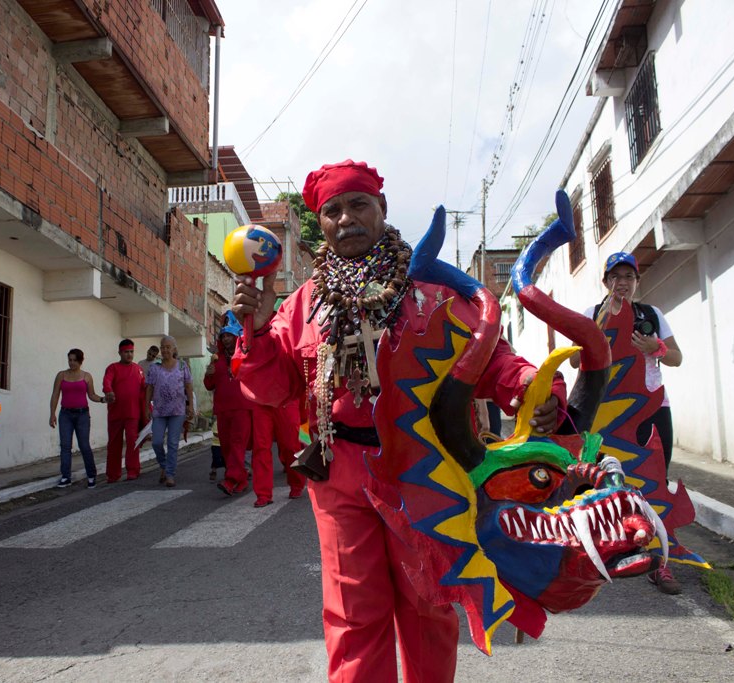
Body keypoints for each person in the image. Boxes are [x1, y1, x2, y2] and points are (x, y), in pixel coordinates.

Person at [232, 160, 565, 682]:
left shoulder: (431, 294)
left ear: (382, 210)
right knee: (351, 613)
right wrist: (252, 331)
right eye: (332, 211)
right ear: (319, 223)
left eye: (358, 205)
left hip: (423, 472)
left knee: (428, 605)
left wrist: (528, 389)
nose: (346, 219)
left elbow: (492, 358)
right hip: (338, 475)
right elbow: (272, 386)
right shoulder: (301, 306)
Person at [571, 251, 684, 594]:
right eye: (616, 277)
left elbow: (677, 358)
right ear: (605, 282)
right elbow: (576, 359)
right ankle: (605, 552)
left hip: (652, 408)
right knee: (602, 481)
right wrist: (599, 329)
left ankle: (660, 563)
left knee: (655, 480)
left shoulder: (652, 315)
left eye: (629, 277)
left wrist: (656, 346)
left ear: (637, 282)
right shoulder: (591, 314)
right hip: (604, 413)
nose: (623, 283)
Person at [203, 317, 256, 500]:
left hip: (243, 407)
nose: (226, 339)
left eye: (229, 335)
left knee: (237, 445)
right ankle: (240, 481)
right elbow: (209, 385)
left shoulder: (244, 354)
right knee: (226, 447)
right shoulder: (216, 360)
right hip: (223, 409)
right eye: (223, 336)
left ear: (236, 337)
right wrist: (208, 375)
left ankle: (231, 480)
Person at [49, 348, 106, 488]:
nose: (72, 363)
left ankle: (91, 475)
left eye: (75, 360)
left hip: (82, 415)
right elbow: (55, 395)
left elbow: (91, 395)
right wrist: (52, 414)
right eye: (70, 360)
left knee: (84, 445)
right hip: (65, 414)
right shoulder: (61, 375)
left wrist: (103, 399)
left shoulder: (86, 376)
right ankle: (66, 476)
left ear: (81, 361)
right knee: (65, 446)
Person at [143, 335, 194, 488]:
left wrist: (190, 406)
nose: (165, 350)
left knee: (172, 443)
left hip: (177, 411)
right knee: (157, 442)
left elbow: (188, 387)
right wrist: (146, 407)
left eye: (168, 347)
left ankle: (170, 474)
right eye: (163, 347)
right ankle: (164, 465)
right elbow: (150, 388)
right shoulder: (154, 367)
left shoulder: (182, 366)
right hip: (159, 411)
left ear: (174, 349)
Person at [102, 339, 146, 483]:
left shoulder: (138, 369)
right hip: (116, 413)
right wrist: (108, 391)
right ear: (120, 352)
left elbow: (144, 390)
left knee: (133, 442)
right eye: (126, 352)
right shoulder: (112, 368)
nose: (129, 355)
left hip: (133, 413)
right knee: (114, 444)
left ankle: (133, 470)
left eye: (131, 352)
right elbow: (107, 381)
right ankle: (113, 474)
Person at [251, 399, 307, 504]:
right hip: (261, 400)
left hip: (286, 398)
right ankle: (263, 494)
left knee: (291, 445)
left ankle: (297, 483)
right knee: (261, 447)